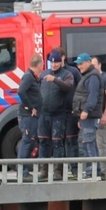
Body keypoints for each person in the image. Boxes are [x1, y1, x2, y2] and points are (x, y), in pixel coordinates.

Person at [37, 49, 74, 179]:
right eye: (52, 63)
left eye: (56, 63)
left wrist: (55, 80)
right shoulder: (42, 74)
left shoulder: (67, 74)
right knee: (43, 142)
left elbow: (68, 87)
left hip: (58, 114)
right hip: (43, 114)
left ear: (61, 61)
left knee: (58, 143)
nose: (54, 65)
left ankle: (58, 171)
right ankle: (43, 170)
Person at [71, 53, 105, 180]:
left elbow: (93, 96)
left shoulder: (93, 77)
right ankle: (93, 171)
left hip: (89, 116)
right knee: (88, 143)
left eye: (81, 63)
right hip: (86, 117)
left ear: (88, 62)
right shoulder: (89, 76)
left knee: (89, 143)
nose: (79, 66)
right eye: (77, 64)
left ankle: (93, 172)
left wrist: (86, 110)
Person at [16, 54, 43, 172]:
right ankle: (22, 171)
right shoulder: (28, 77)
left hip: (32, 116)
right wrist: (30, 107)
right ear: (39, 64)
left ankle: (24, 170)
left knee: (30, 142)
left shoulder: (33, 77)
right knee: (27, 142)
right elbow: (21, 91)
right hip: (28, 116)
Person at [60, 48, 82, 176]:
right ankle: (61, 170)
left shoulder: (73, 71)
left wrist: (78, 108)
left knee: (71, 141)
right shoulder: (53, 73)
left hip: (71, 112)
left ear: (63, 57)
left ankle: (74, 170)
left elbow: (81, 89)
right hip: (58, 113)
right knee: (59, 143)